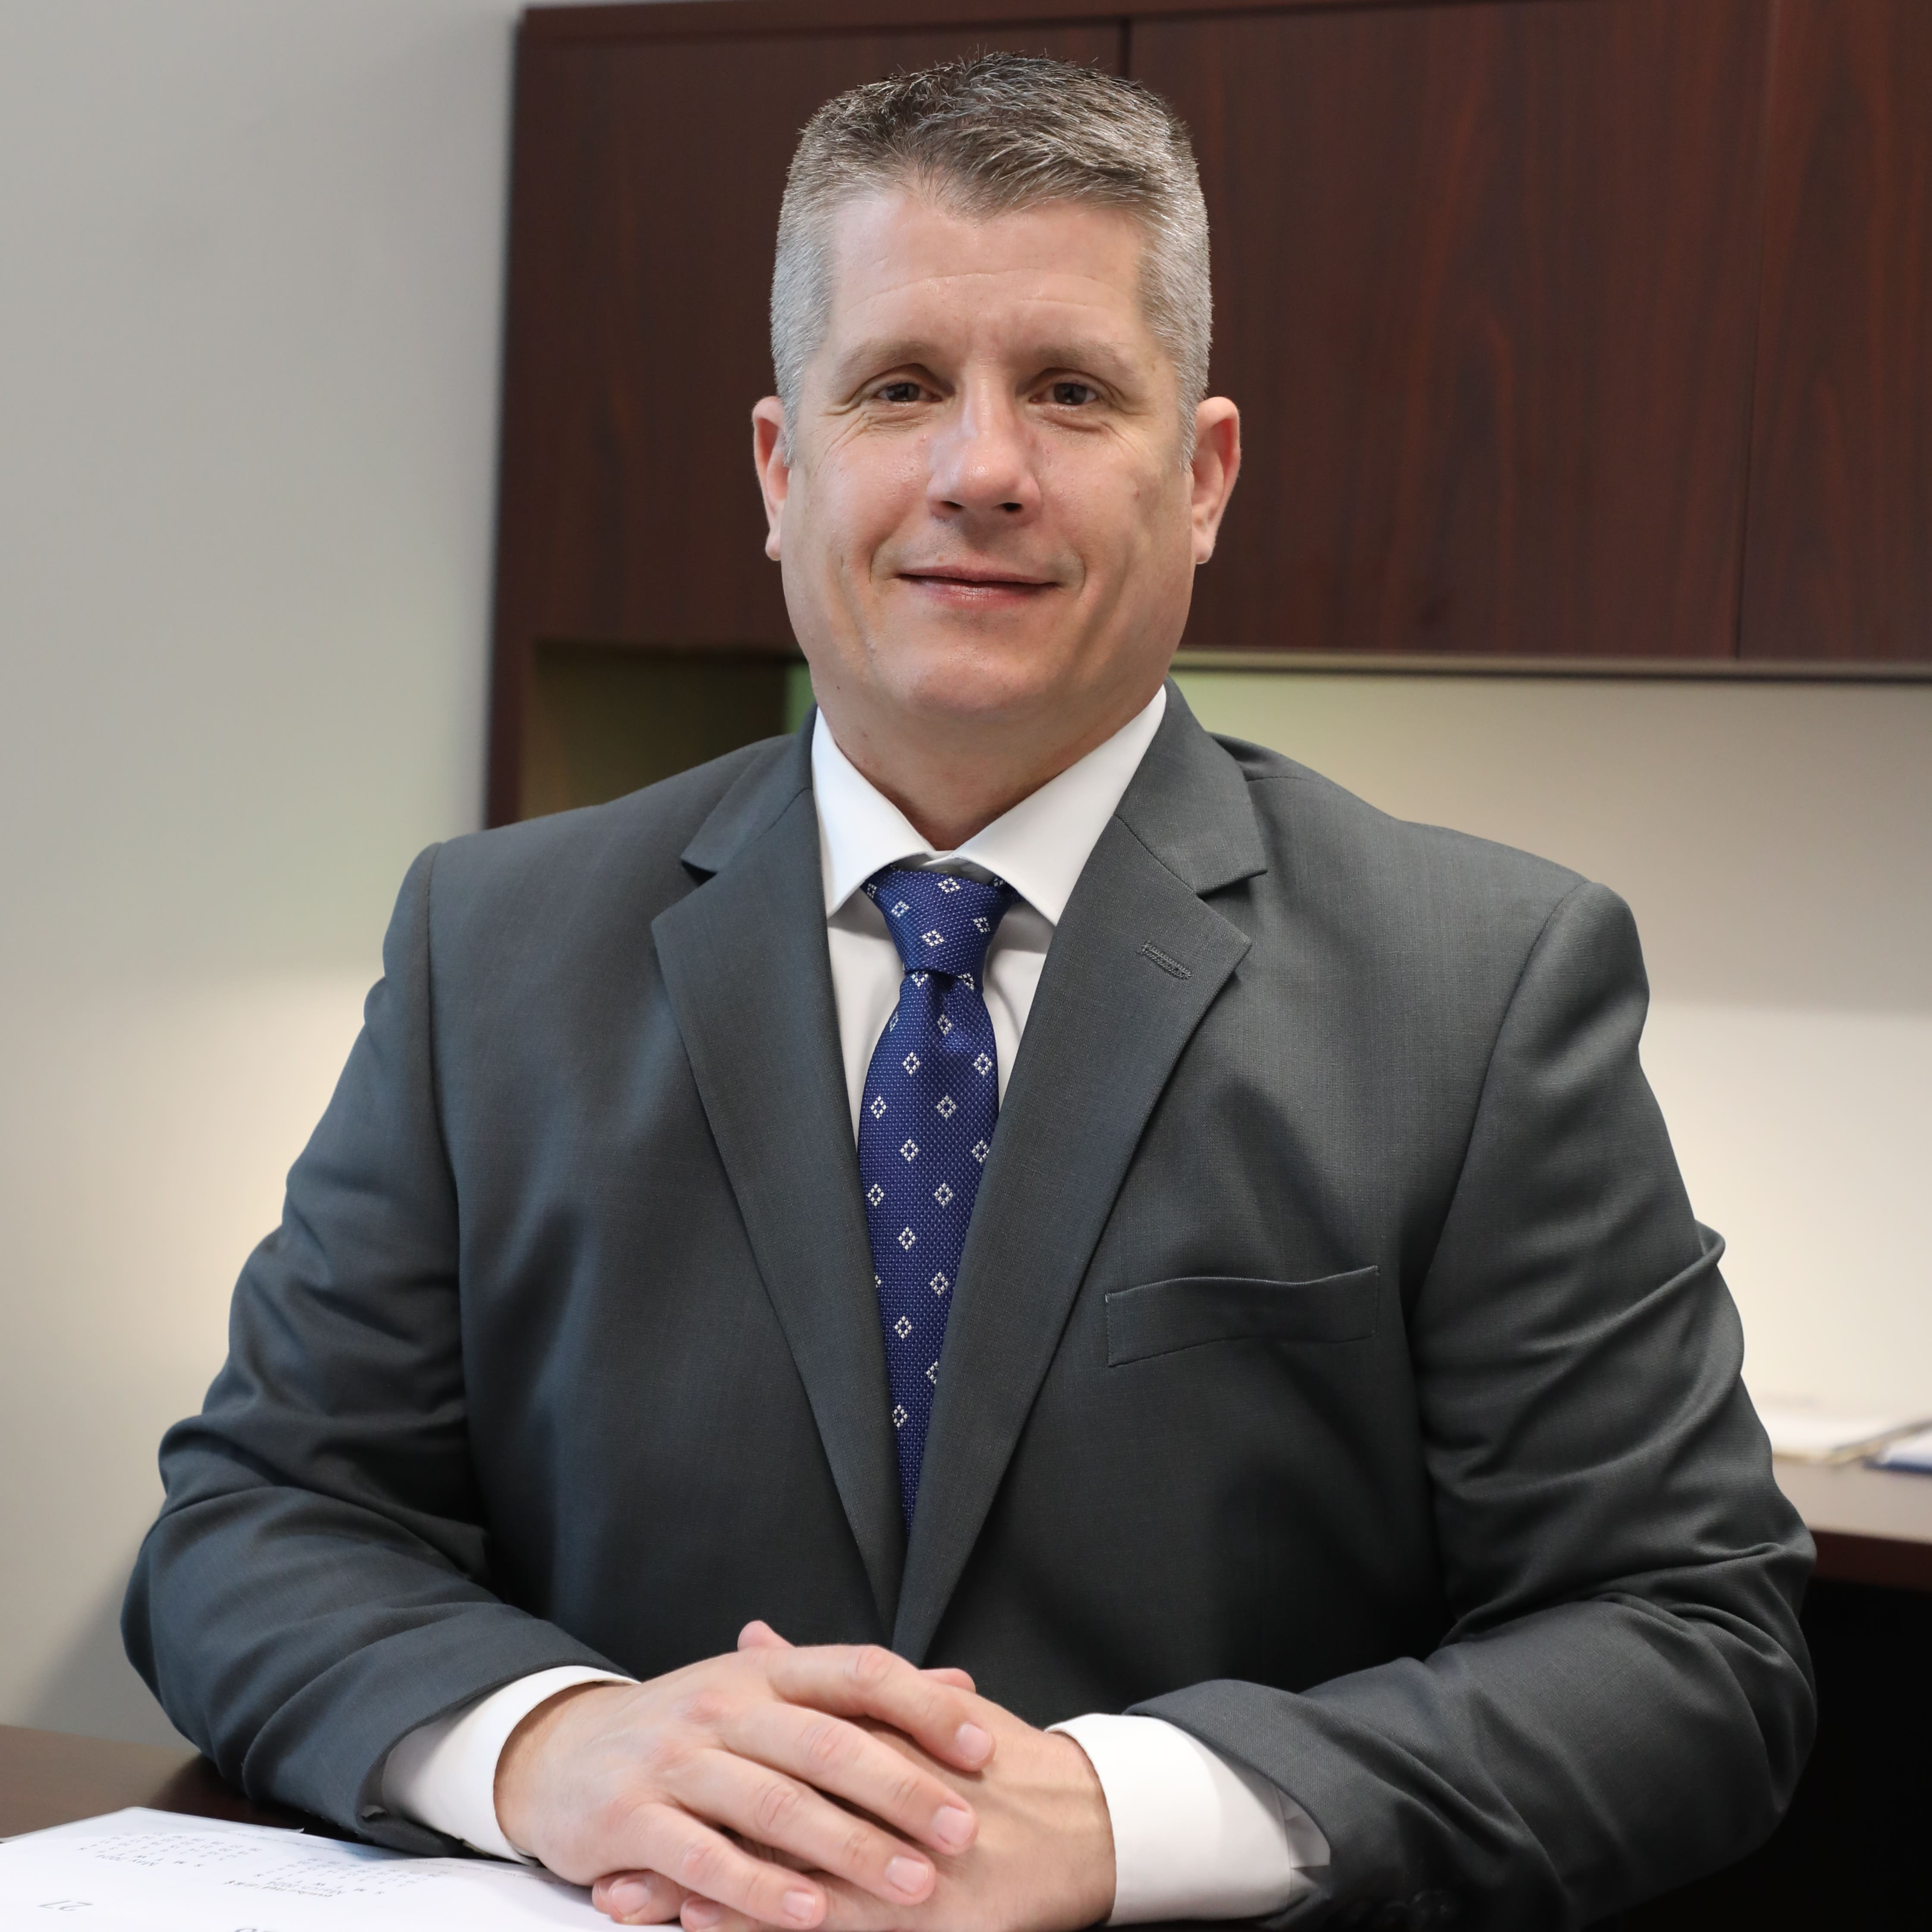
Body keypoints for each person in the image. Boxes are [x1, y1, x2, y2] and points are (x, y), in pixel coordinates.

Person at [125, 55, 1813, 1932]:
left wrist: (1115, 1814)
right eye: (901, 385)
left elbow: (1688, 1645)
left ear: (1204, 478)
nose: (981, 467)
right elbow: (252, 1529)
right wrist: (557, 1744)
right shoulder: (492, 943)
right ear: (783, 473)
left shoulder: (1482, 982)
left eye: (1073, 391)